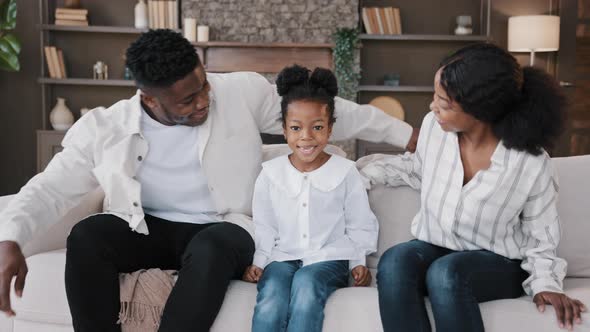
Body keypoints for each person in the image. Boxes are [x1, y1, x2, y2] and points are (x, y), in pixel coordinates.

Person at [0, 29, 417, 332]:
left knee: (212, 244)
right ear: (150, 99)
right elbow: (49, 187)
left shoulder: (240, 92)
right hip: (149, 225)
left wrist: (404, 134)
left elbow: (321, 110)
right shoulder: (105, 127)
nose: (202, 102)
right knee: (89, 234)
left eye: (202, 87)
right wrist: (11, 237)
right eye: (187, 100)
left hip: (226, 228)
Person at [358, 43, 587, 332]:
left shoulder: (530, 162)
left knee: (446, 273)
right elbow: (417, 170)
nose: (432, 107)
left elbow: (540, 235)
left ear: (479, 110)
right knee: (394, 262)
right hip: (435, 247)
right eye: (435, 96)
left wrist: (546, 283)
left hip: (497, 263)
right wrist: (354, 174)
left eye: (444, 103)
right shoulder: (433, 128)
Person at [242, 65, 378, 332]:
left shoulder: (345, 172)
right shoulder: (270, 174)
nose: (306, 137)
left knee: (306, 284)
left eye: (317, 127)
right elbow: (265, 226)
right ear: (284, 129)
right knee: (272, 294)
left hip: (329, 257)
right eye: (296, 127)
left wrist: (359, 261)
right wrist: (259, 261)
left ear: (329, 129)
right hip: (283, 256)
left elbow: (359, 222)